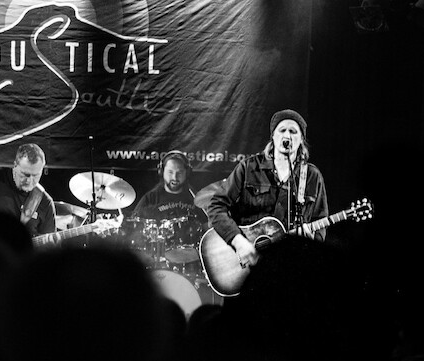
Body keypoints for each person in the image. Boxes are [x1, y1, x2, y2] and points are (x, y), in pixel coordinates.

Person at [205, 109, 329, 272]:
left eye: (293, 131)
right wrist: (237, 241)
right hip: (248, 267)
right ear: (273, 136)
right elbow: (216, 206)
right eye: (282, 130)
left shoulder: (312, 176)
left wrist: (311, 241)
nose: (287, 135)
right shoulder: (249, 167)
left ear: (301, 140)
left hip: (290, 264)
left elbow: (320, 221)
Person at [126, 150, 206, 262]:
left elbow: (207, 228)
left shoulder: (196, 198)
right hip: (157, 258)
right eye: (170, 172)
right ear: (161, 172)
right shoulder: (151, 198)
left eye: (179, 173)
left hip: (190, 259)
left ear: (187, 173)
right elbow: (134, 226)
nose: (175, 177)